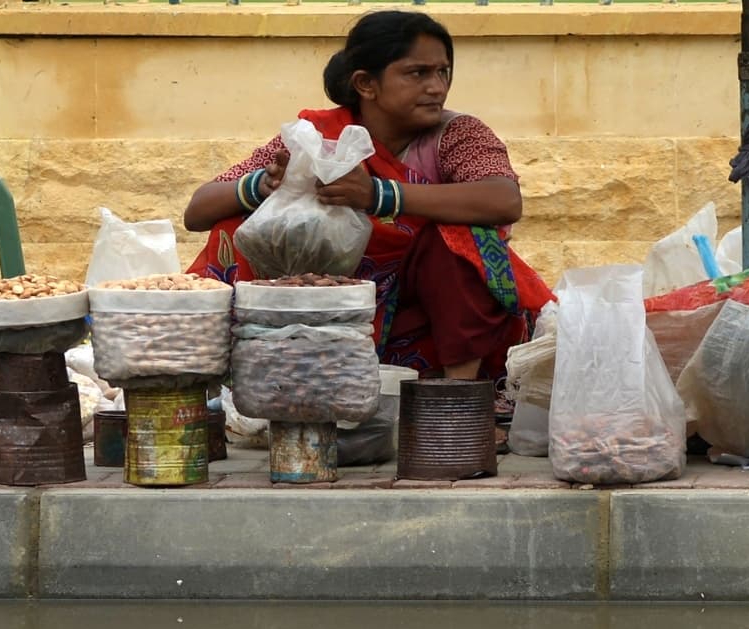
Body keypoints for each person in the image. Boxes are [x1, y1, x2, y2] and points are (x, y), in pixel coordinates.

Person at [184, 11, 553, 385]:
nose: (437, 87)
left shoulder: (459, 134)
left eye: (443, 72)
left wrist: (380, 194)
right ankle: (243, 371)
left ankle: (457, 393)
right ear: (366, 83)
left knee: (461, 239)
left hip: (427, 314)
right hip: (323, 301)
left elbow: (503, 199)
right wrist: (261, 185)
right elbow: (198, 210)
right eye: (417, 73)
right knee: (238, 225)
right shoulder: (317, 137)